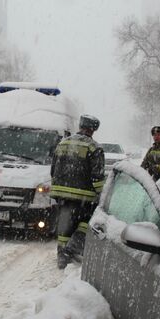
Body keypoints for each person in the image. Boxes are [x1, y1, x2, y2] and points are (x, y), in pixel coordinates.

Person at [50, 114, 105, 269]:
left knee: (64, 225)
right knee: (85, 223)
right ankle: (71, 249)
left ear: (80, 125)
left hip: (61, 194)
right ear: (93, 129)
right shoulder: (94, 147)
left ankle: (61, 254)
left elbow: (53, 169)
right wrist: (102, 195)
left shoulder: (63, 143)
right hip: (83, 196)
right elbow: (97, 177)